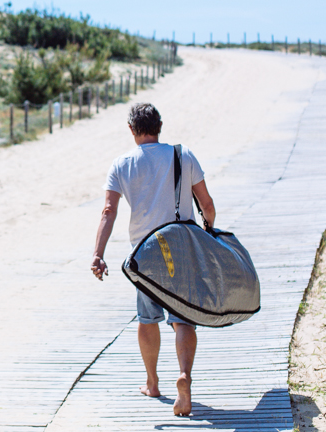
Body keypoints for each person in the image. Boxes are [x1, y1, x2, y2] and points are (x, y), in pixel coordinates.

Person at [90, 102, 216, 417]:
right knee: (183, 318)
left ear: (132, 130)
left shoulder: (122, 164)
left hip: (145, 254)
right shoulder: (182, 155)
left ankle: (152, 381)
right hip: (181, 247)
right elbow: (207, 203)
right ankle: (184, 376)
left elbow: (109, 211)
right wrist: (209, 230)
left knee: (148, 319)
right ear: (159, 126)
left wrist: (98, 254)